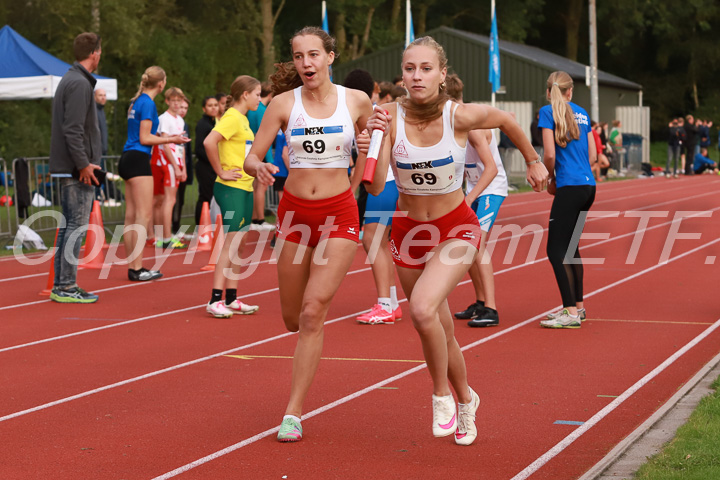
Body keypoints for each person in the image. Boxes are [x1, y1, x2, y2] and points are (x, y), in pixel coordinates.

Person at [365, 36, 547, 445]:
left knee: (423, 309)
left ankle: (441, 395)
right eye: (410, 68)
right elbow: (376, 187)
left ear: (442, 74)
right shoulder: (387, 116)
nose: (417, 76)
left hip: (456, 226)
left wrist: (533, 161)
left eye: (426, 68)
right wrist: (369, 146)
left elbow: (506, 120)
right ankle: (467, 400)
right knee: (440, 329)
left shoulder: (460, 116)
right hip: (410, 232)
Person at [244, 26, 373, 442]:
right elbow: (251, 156)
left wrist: (369, 151)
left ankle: (293, 413)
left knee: (314, 310)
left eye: (314, 55)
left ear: (330, 57)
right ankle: (304, 338)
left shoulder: (357, 101)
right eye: (299, 57)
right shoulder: (282, 104)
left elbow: (375, 163)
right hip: (295, 214)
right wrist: (258, 168)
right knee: (291, 318)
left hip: (339, 211)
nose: (306, 64)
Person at [444, 74, 506, 328]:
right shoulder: (454, 124)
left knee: (477, 246)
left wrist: (468, 197)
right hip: (473, 188)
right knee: (468, 244)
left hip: (491, 188)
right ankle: (480, 302)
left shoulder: (474, 128)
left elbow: (490, 168)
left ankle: (491, 308)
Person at [119, 66, 189, 281]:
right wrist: (172, 139)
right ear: (161, 84)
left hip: (127, 158)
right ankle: (138, 268)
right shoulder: (147, 103)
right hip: (139, 159)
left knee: (131, 215)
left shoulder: (136, 100)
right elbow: (145, 138)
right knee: (143, 215)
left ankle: (134, 266)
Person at [343, 69, 402, 326]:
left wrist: (351, 189)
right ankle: (391, 302)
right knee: (379, 242)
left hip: (385, 182)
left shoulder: (365, 115)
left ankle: (385, 304)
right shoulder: (371, 111)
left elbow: (368, 157)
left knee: (372, 239)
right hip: (388, 182)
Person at [538, 71, 596, 329]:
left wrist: (550, 178)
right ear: (570, 91)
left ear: (549, 91)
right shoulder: (583, 112)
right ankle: (579, 308)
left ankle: (570, 312)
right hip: (588, 186)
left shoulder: (547, 111)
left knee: (555, 250)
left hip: (570, 186)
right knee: (571, 247)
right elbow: (593, 154)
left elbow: (549, 154)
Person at [48, 32, 103, 303]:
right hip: (77, 169)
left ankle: (64, 283)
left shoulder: (72, 79)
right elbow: (73, 130)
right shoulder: (79, 84)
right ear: (94, 53)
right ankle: (66, 286)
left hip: (72, 166)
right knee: (75, 227)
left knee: (70, 226)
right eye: (100, 51)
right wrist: (83, 164)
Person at [202, 75, 262, 318]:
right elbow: (209, 141)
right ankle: (215, 299)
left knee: (241, 242)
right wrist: (220, 171)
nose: (260, 98)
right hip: (231, 188)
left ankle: (232, 298)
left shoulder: (244, 120)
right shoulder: (232, 118)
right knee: (232, 241)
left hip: (245, 187)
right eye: (257, 94)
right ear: (245, 94)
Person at [151, 87, 188, 249]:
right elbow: (166, 145)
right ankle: (165, 237)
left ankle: (162, 236)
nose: (176, 104)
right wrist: (175, 166)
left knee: (165, 200)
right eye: (173, 101)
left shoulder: (179, 120)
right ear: (167, 101)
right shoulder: (164, 119)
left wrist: (183, 167)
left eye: (178, 101)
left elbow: (181, 145)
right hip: (165, 162)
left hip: (176, 161)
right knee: (168, 199)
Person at [246, 82, 277, 231]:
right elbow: (264, 135)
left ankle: (254, 218)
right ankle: (259, 219)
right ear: (270, 95)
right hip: (261, 152)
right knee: (261, 187)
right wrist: (269, 159)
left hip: (252, 150)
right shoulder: (262, 110)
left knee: (255, 186)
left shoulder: (252, 110)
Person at [194, 96, 219, 225]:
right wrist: (214, 160)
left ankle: (209, 225)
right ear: (204, 108)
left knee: (212, 197)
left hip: (212, 166)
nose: (214, 107)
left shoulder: (215, 123)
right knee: (205, 197)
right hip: (205, 167)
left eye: (215, 104)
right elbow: (199, 148)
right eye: (210, 105)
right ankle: (200, 227)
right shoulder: (203, 125)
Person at [172, 97, 193, 236]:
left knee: (180, 200)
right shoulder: (169, 122)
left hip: (183, 164)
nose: (183, 110)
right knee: (171, 200)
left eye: (186, 108)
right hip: (171, 165)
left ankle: (176, 228)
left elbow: (185, 147)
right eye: (181, 107)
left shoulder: (184, 124)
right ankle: (169, 230)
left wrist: (185, 168)